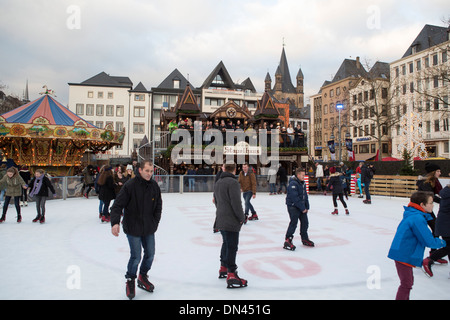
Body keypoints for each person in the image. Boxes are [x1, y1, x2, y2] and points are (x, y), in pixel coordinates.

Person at [110, 160, 162, 300]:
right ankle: (131, 280)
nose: (149, 174)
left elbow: (158, 206)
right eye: (147, 171)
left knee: (150, 254)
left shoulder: (154, 186)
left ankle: (142, 276)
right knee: (136, 256)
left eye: (151, 171)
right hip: (133, 227)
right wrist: (115, 223)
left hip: (148, 227)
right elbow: (117, 205)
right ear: (140, 170)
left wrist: (155, 222)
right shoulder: (130, 185)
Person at [388, 191, 446, 300]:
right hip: (403, 254)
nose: (433, 205)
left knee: (407, 283)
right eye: (431, 203)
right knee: (406, 284)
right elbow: (428, 241)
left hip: (403, 253)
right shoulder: (417, 219)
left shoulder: (414, 215)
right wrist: (444, 243)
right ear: (422, 205)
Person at [214, 163, 247, 289]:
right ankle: (231, 273)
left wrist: (221, 211)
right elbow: (236, 203)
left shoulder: (218, 182)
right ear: (234, 170)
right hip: (230, 220)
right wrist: (241, 217)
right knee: (232, 246)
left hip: (221, 218)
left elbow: (216, 200)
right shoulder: (233, 183)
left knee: (226, 243)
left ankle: (223, 267)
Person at [416, 162, 446, 264]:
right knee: (432, 230)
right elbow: (431, 196)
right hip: (421, 210)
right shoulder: (425, 183)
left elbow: (438, 193)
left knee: (435, 230)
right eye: (438, 171)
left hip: (426, 209)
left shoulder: (433, 182)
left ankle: (433, 253)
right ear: (433, 172)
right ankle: (429, 255)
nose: (440, 173)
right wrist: (445, 201)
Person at [422, 184, 450, 277]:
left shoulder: (447, 193)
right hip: (446, 225)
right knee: (449, 247)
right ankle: (429, 260)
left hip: (445, 224)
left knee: (449, 247)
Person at [284, 167, 314, 250]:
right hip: (293, 206)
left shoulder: (302, 183)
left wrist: (307, 206)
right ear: (298, 175)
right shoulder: (293, 183)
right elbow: (295, 197)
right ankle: (288, 240)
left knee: (305, 222)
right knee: (294, 222)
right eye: (302, 175)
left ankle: (304, 238)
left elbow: (305, 196)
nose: (304, 177)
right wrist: (302, 207)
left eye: (304, 175)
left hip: (301, 206)